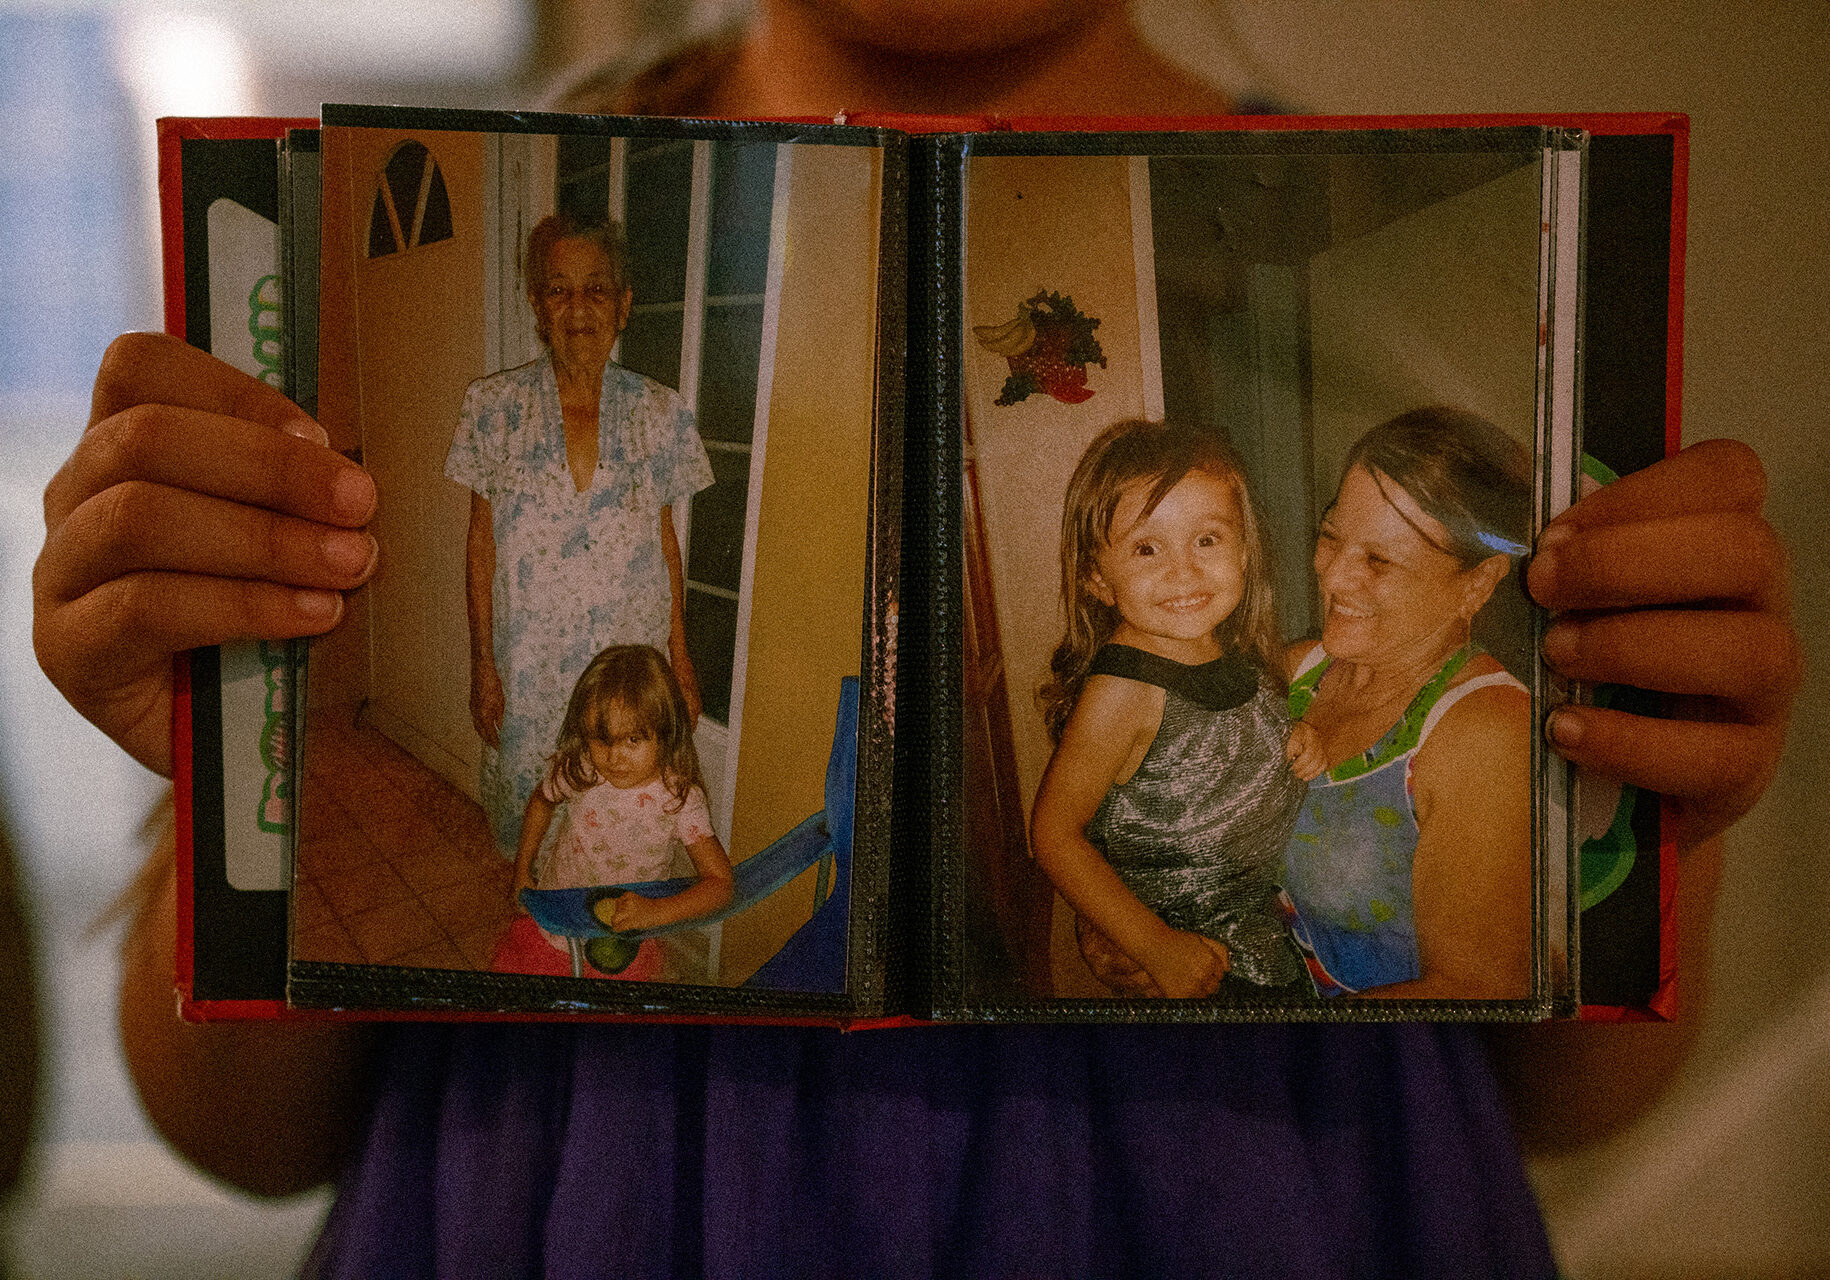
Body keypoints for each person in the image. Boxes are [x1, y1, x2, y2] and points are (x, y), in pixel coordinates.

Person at [31, 0, 1801, 1272]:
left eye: (1224, 543)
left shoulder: (1466, 399)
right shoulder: (352, 241)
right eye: (1146, 546)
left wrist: (1654, 812)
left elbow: (1571, 1093)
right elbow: (236, 1134)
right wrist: (222, 743)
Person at [1079, 408, 1534, 1002]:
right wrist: (1120, 932)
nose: (1334, 576)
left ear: (1478, 582)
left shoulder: (1487, 730)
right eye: (1331, 536)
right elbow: (1142, 804)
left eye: (1379, 560)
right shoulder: (1290, 672)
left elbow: (1478, 990)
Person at [450, 212, 715, 856]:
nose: (578, 307)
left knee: (625, 832)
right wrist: (483, 663)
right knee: (531, 831)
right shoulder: (492, 409)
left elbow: (666, 540)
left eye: (596, 288)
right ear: (539, 307)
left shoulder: (661, 411)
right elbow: (480, 546)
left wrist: (679, 653)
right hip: (532, 669)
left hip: (628, 679)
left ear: (623, 305)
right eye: (559, 289)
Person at [1030, 420, 1316, 998]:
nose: (1182, 571)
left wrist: (1298, 729)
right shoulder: (1125, 687)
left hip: (1255, 926)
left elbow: (1240, 730)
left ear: (1244, 551)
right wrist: (1155, 946)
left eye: (1207, 539)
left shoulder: (1220, 645)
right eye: (1146, 548)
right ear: (1097, 579)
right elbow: (1054, 835)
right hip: (1188, 951)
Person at [496, 644, 733, 980]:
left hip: (624, 943)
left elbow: (720, 884)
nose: (614, 756)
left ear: (665, 733)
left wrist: (656, 911)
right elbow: (541, 801)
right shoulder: (582, 768)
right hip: (555, 923)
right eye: (601, 739)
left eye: (633, 740)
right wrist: (522, 870)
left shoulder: (680, 798)